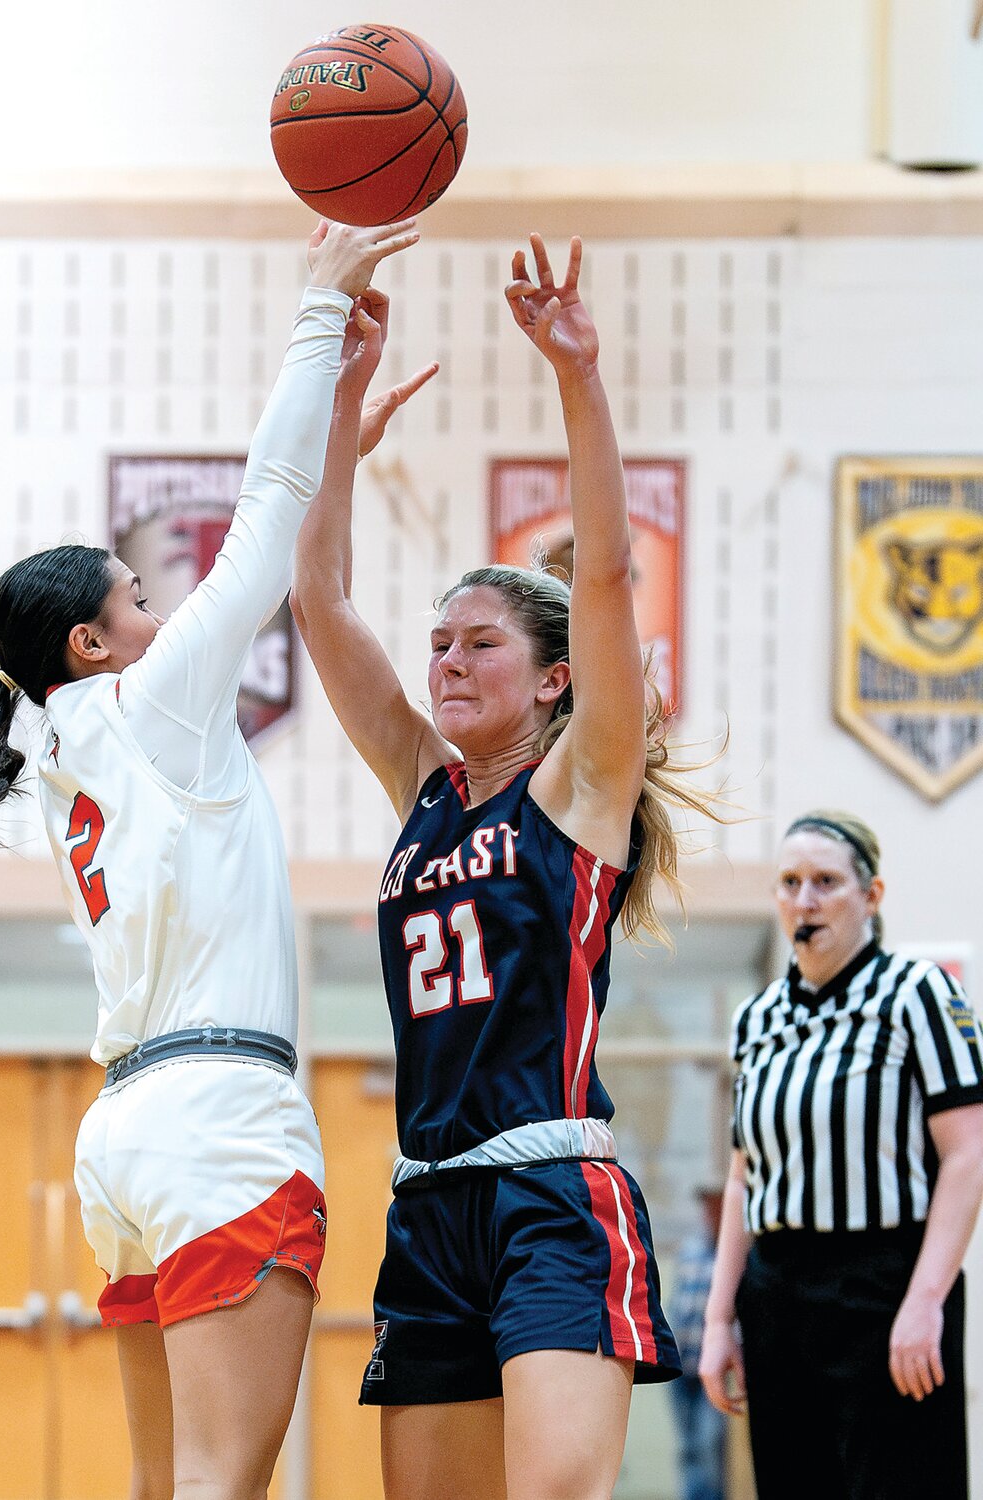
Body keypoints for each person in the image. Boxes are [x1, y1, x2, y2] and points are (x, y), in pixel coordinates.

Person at [0, 218, 420, 1500]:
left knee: (171, 1487)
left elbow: (281, 516)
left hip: (129, 1140)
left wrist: (335, 446)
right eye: (139, 603)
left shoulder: (58, 745)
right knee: (221, 1485)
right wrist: (322, 307)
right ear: (93, 645)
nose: (165, 613)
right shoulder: (152, 708)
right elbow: (262, 519)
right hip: (217, 1120)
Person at [292, 235, 725, 1500]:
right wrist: (333, 427)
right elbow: (320, 599)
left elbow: (602, 570)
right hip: (428, 1203)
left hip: (549, 1190)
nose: (446, 662)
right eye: (437, 644)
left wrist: (575, 377)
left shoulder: (581, 785)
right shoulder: (421, 787)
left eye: (478, 642)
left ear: (551, 678)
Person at [699, 811, 983, 1500]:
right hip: (778, 1293)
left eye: (826, 882)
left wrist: (925, 1301)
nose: (805, 899)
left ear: (871, 897)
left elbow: (969, 1153)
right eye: (790, 883)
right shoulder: (757, 1018)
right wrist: (717, 1319)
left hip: (885, 1283)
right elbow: (744, 1177)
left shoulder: (918, 993)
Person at [668, 1189, 726, 1500]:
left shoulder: (731, 1258)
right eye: (708, 1208)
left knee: (709, 1445)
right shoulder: (690, 1249)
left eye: (717, 1208)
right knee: (688, 1446)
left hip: (711, 1369)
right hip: (682, 1365)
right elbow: (677, 1303)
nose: (711, 1215)